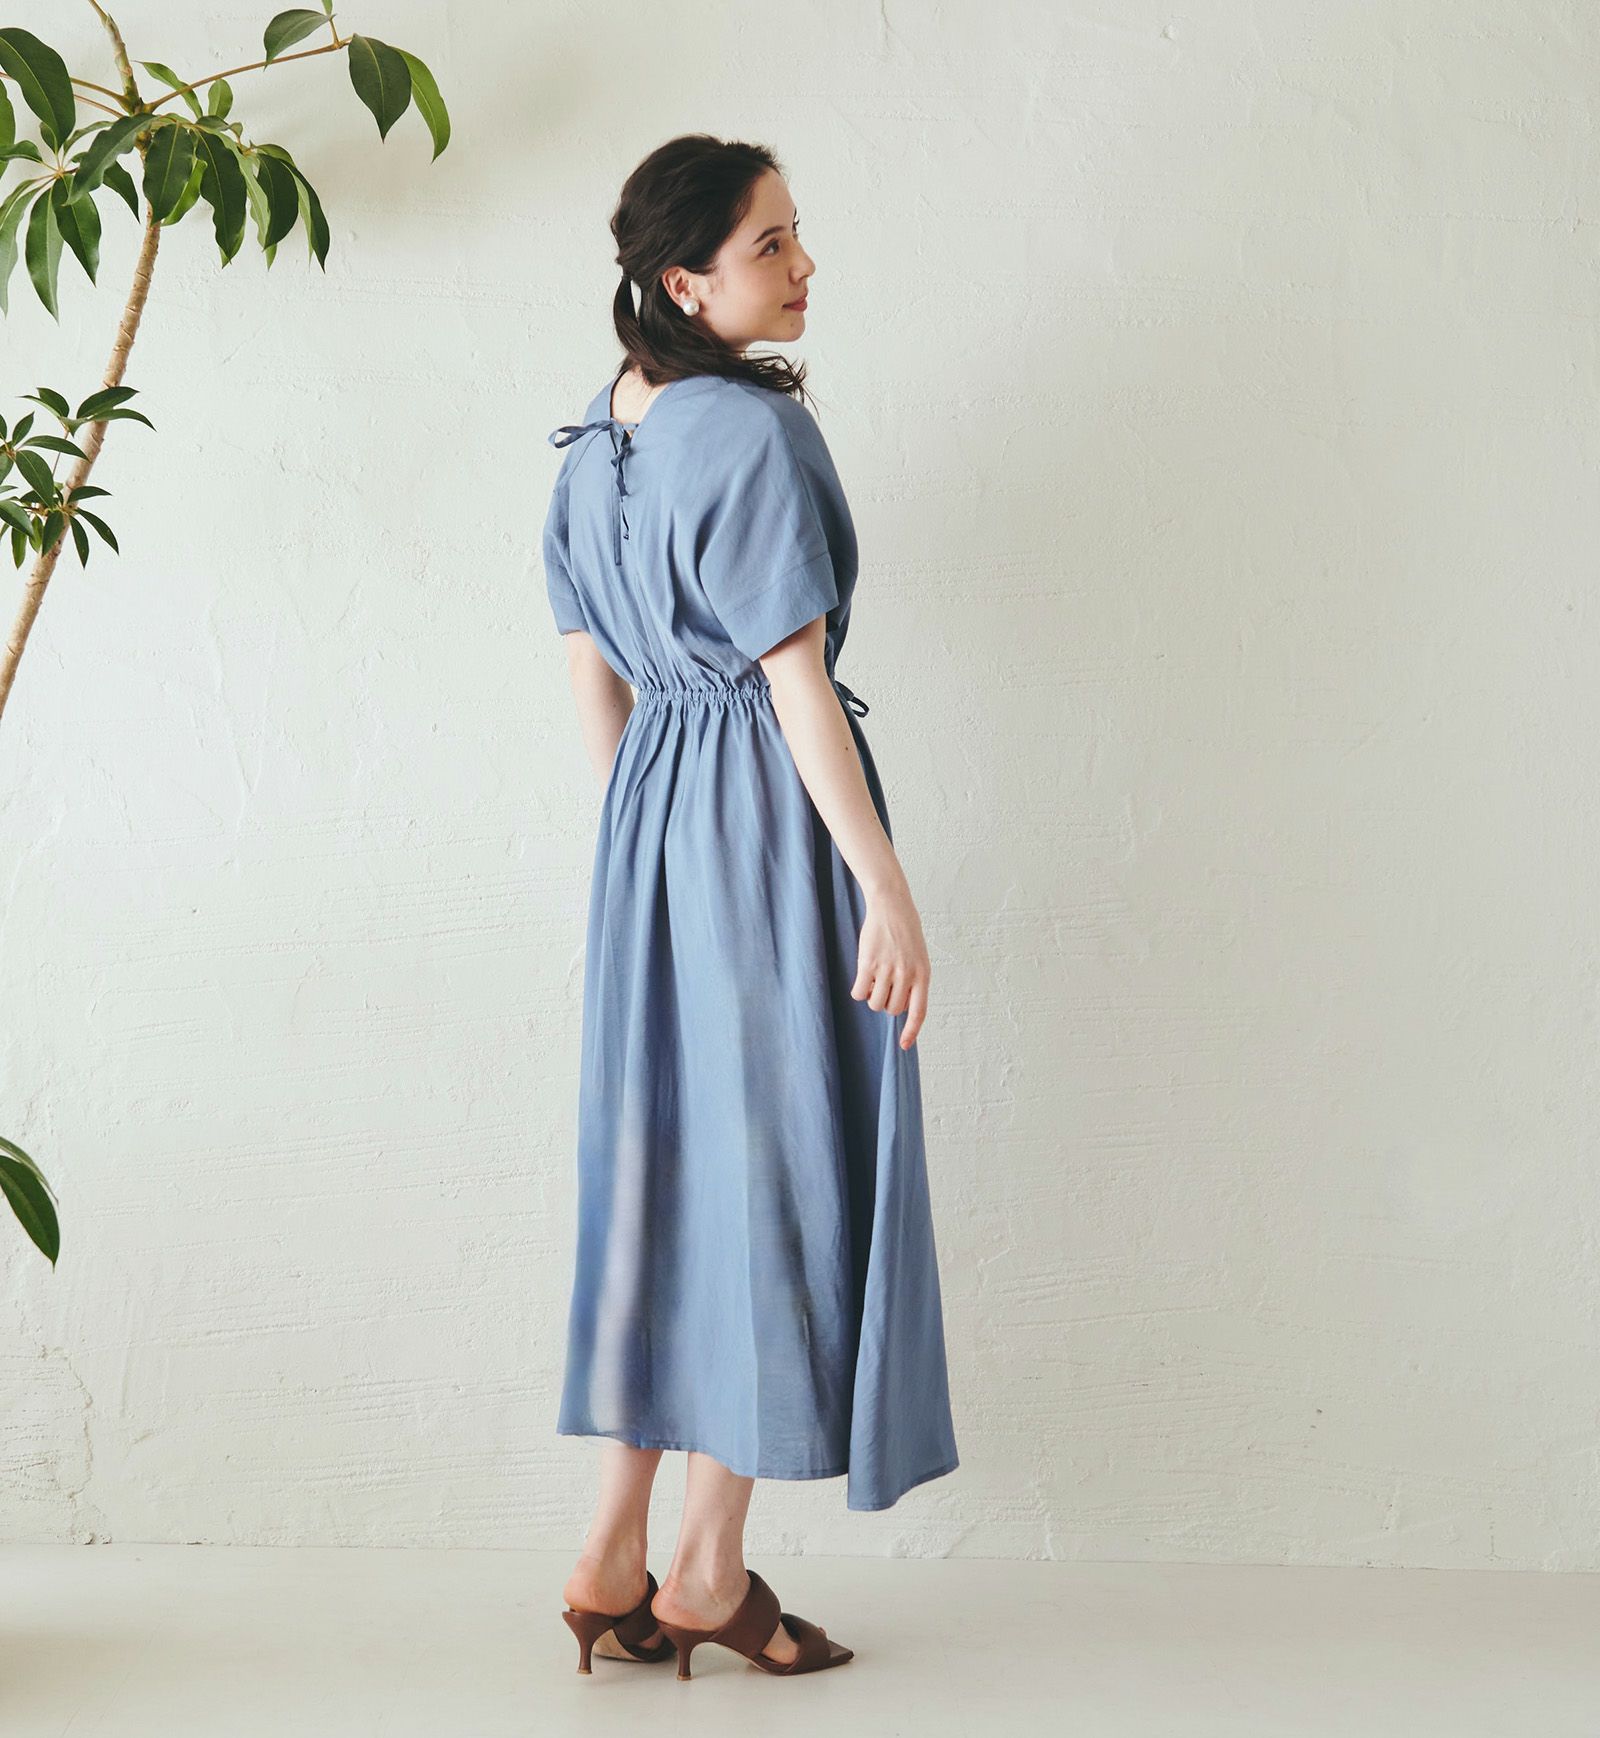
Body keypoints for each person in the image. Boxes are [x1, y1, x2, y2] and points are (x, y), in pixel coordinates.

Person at [542, 134, 958, 1681]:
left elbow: (592, 674)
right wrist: (883, 884)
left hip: (650, 828)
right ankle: (708, 1569)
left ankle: (610, 1550)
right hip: (767, 827)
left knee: (663, 1177)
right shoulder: (753, 437)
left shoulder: (593, 447)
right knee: (774, 1173)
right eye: (771, 243)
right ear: (683, 280)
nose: (801, 265)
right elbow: (796, 687)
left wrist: (640, 857)